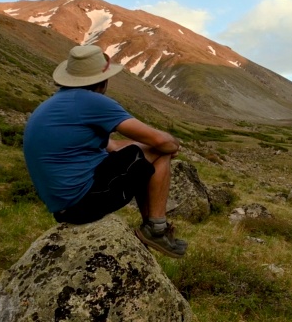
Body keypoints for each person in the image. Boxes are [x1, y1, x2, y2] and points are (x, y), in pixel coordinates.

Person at [23, 44, 188, 257]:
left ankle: (152, 227)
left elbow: (114, 146)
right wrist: (167, 146)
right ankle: (157, 229)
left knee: (144, 156)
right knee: (160, 153)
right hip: (82, 202)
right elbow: (163, 143)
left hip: (63, 207)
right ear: (102, 81)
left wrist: (150, 148)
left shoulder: (58, 103)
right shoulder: (92, 101)